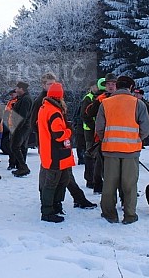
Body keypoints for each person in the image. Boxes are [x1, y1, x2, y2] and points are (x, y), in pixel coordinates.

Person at [31, 73, 96, 210]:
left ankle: (65, 200)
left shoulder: (54, 102)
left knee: (62, 174)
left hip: (57, 145)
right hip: (50, 145)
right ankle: (52, 202)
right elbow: (36, 124)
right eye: (49, 84)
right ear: (43, 85)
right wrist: (52, 136)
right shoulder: (42, 102)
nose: (52, 86)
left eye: (53, 83)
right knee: (54, 175)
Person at [95, 75, 149, 224]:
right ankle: (129, 215)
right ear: (131, 88)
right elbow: (146, 128)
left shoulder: (105, 103)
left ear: (117, 86)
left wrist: (107, 139)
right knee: (129, 185)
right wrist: (136, 138)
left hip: (110, 150)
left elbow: (99, 128)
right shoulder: (138, 104)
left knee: (109, 184)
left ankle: (109, 215)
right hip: (131, 151)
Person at [38, 82, 75, 223]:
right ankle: (48, 211)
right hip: (56, 154)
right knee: (53, 183)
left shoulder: (45, 108)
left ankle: (55, 206)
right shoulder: (54, 111)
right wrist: (69, 130)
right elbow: (58, 134)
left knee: (61, 180)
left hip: (52, 152)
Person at [85, 73, 117, 194]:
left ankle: (124, 190)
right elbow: (89, 113)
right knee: (99, 162)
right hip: (102, 136)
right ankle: (97, 185)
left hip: (118, 136)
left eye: (113, 84)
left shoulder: (122, 98)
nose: (110, 86)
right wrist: (97, 102)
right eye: (108, 84)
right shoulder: (100, 98)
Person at [80, 78, 105, 188]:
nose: (96, 88)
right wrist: (95, 126)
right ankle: (90, 180)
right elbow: (84, 115)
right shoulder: (88, 98)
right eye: (94, 86)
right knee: (91, 155)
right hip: (90, 132)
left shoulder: (101, 97)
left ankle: (97, 179)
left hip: (98, 131)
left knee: (98, 156)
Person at [10, 81, 32, 177]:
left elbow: (23, 115)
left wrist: (17, 127)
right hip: (23, 126)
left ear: (22, 89)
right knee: (21, 147)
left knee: (15, 146)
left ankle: (23, 167)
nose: (16, 90)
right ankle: (21, 167)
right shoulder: (23, 98)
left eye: (17, 88)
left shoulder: (26, 99)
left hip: (22, 127)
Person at [3, 89, 18, 170]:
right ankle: (12, 163)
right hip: (11, 125)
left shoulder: (17, 102)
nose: (11, 95)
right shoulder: (10, 102)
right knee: (11, 146)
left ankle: (14, 163)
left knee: (14, 146)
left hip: (15, 125)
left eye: (13, 94)